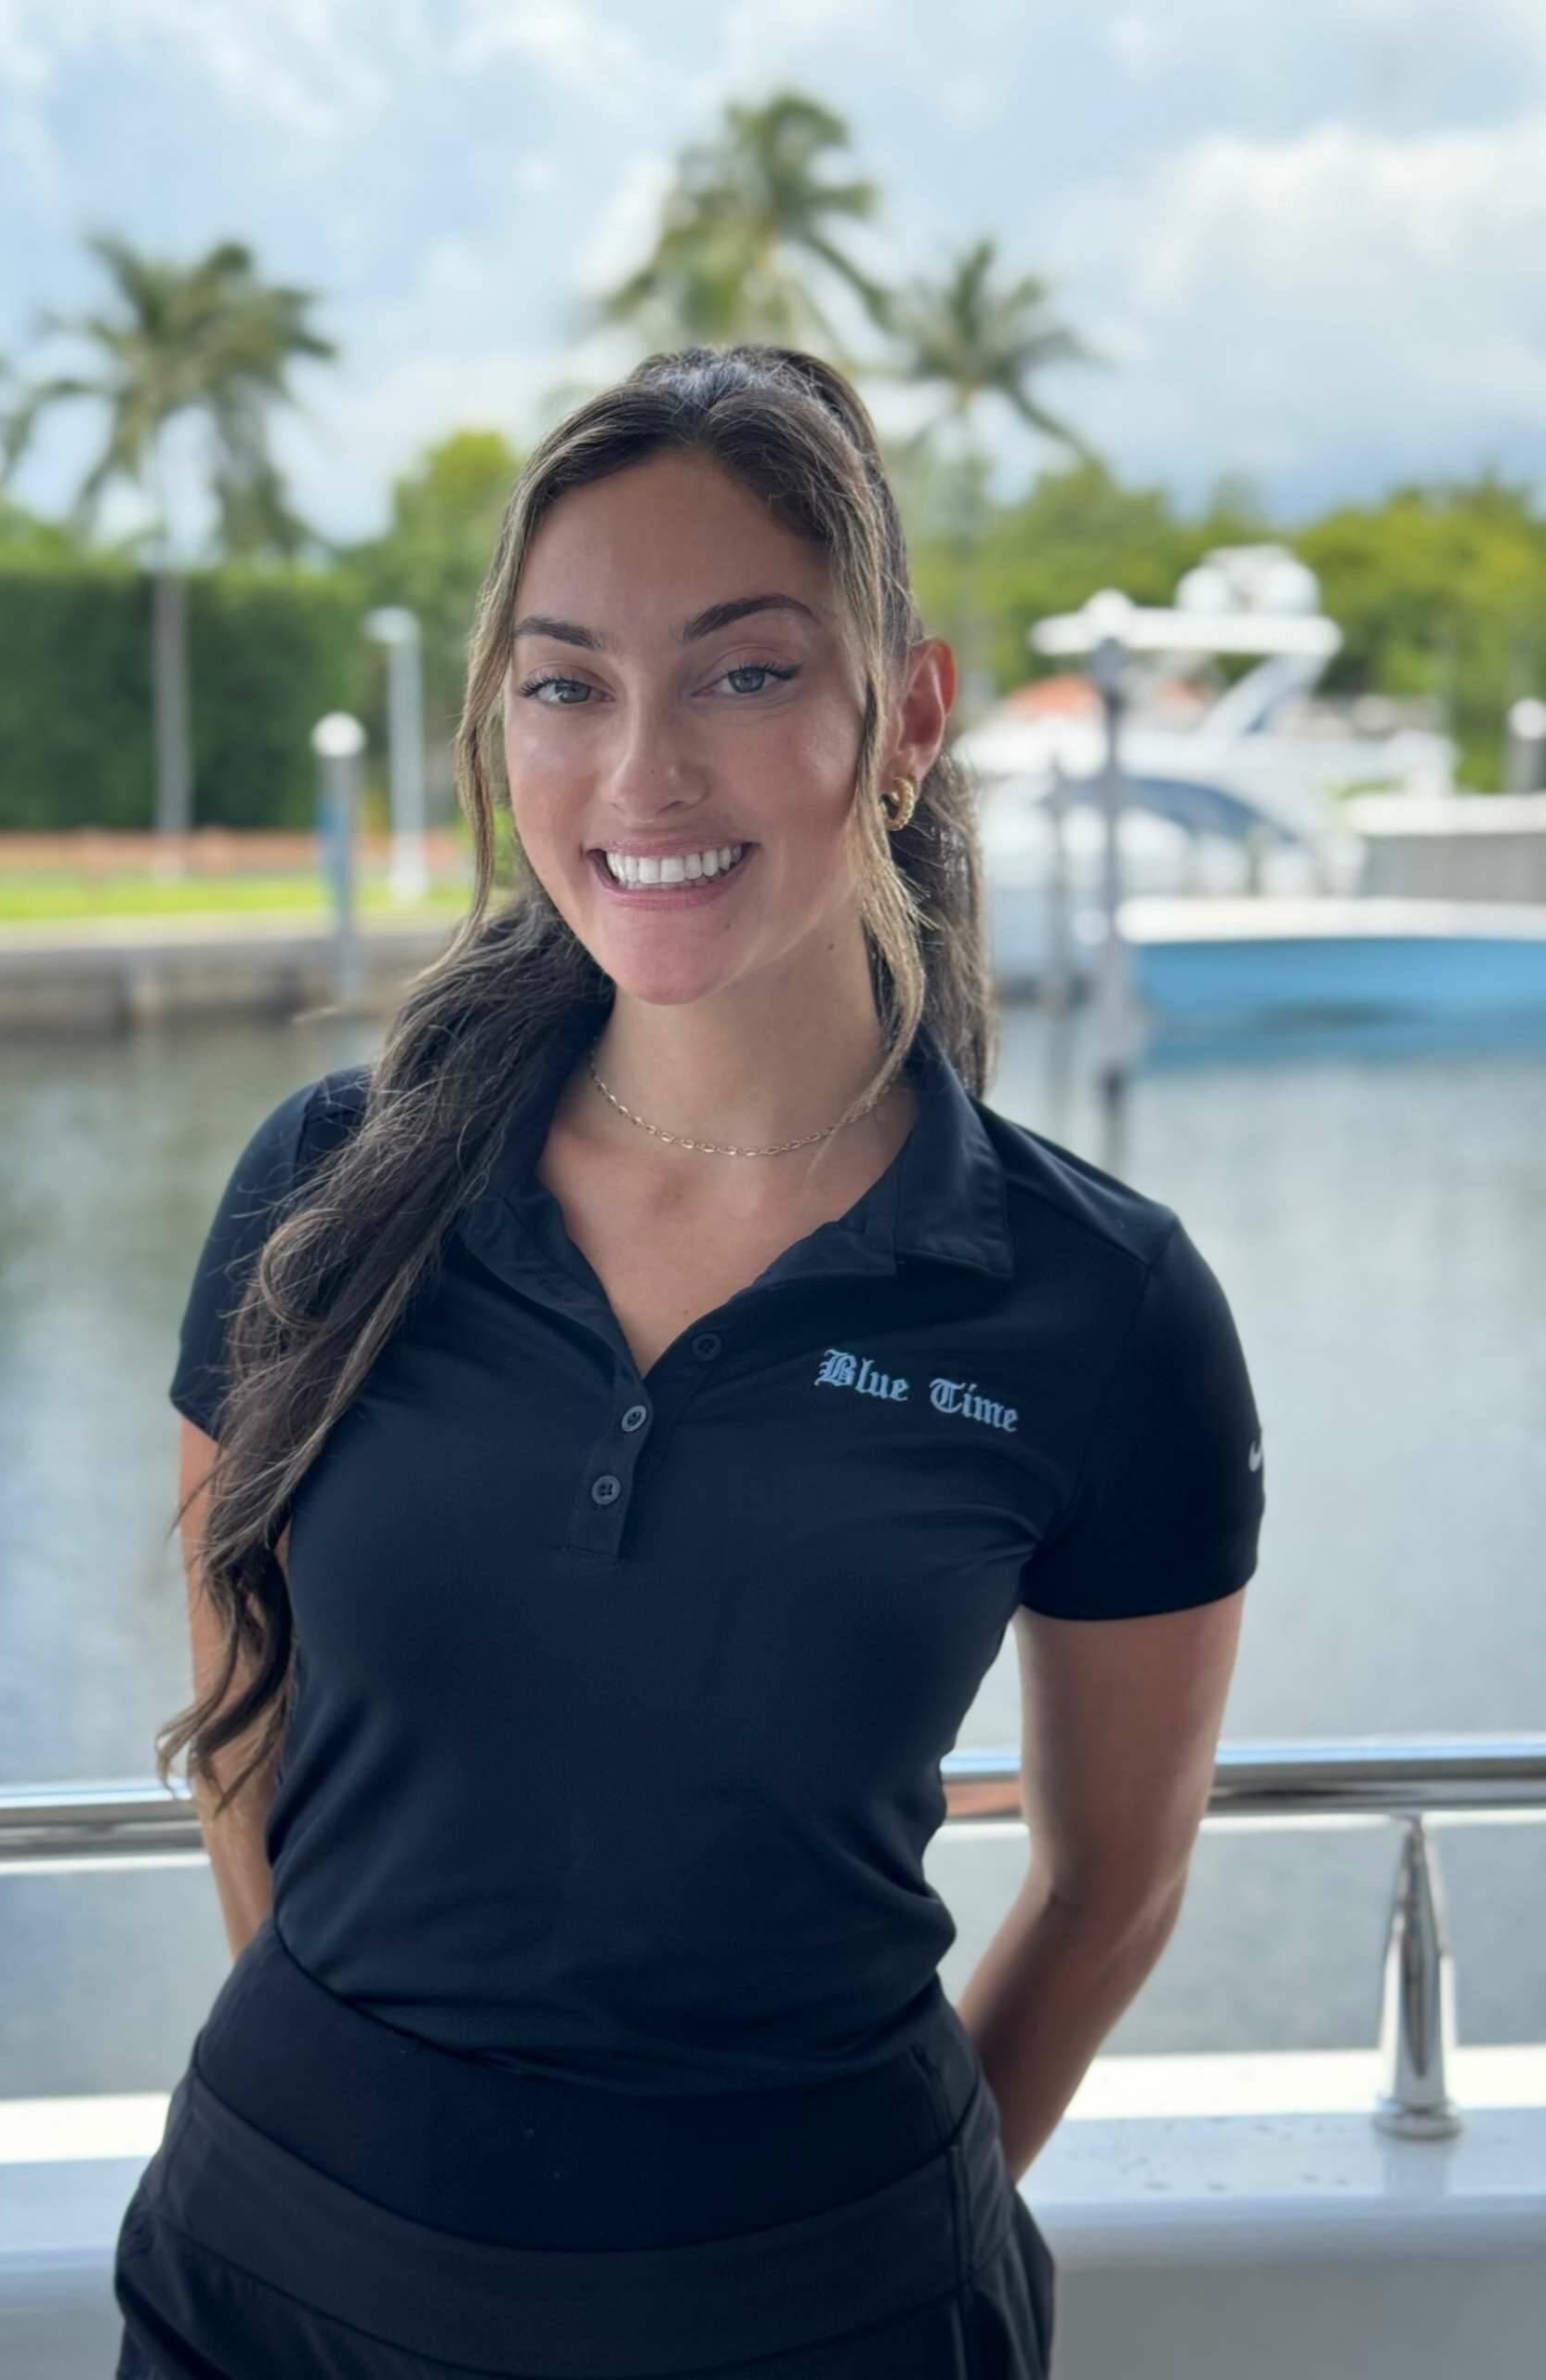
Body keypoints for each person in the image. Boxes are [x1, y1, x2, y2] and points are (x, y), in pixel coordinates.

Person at [112, 343, 1264, 2377]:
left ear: (904, 720)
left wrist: (845, 2239)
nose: (642, 773)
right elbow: (241, 1697)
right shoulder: (328, 1189)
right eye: (567, 686)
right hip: (275, 2288)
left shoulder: (1100, 1306)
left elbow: (1112, 1886)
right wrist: (373, 2136)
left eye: (742, 673)